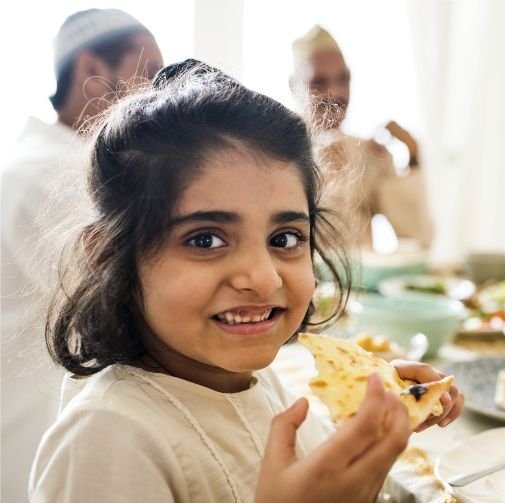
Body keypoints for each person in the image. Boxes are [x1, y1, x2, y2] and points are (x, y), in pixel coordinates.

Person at [29, 59, 463, 502]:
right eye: (205, 239)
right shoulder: (106, 441)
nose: (262, 276)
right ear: (106, 255)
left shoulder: (255, 376)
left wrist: (362, 432)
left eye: (285, 237)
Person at [1, 9, 163, 501]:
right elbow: (139, 308)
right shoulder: (65, 177)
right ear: (93, 69)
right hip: (39, 433)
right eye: (151, 72)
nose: (159, 95)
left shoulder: (26, 162)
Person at [290, 25, 434, 249]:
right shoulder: (278, 155)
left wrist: (412, 154)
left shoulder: (367, 153)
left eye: (343, 79)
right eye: (320, 82)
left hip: (361, 284)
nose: (336, 93)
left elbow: (418, 239)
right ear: (294, 86)